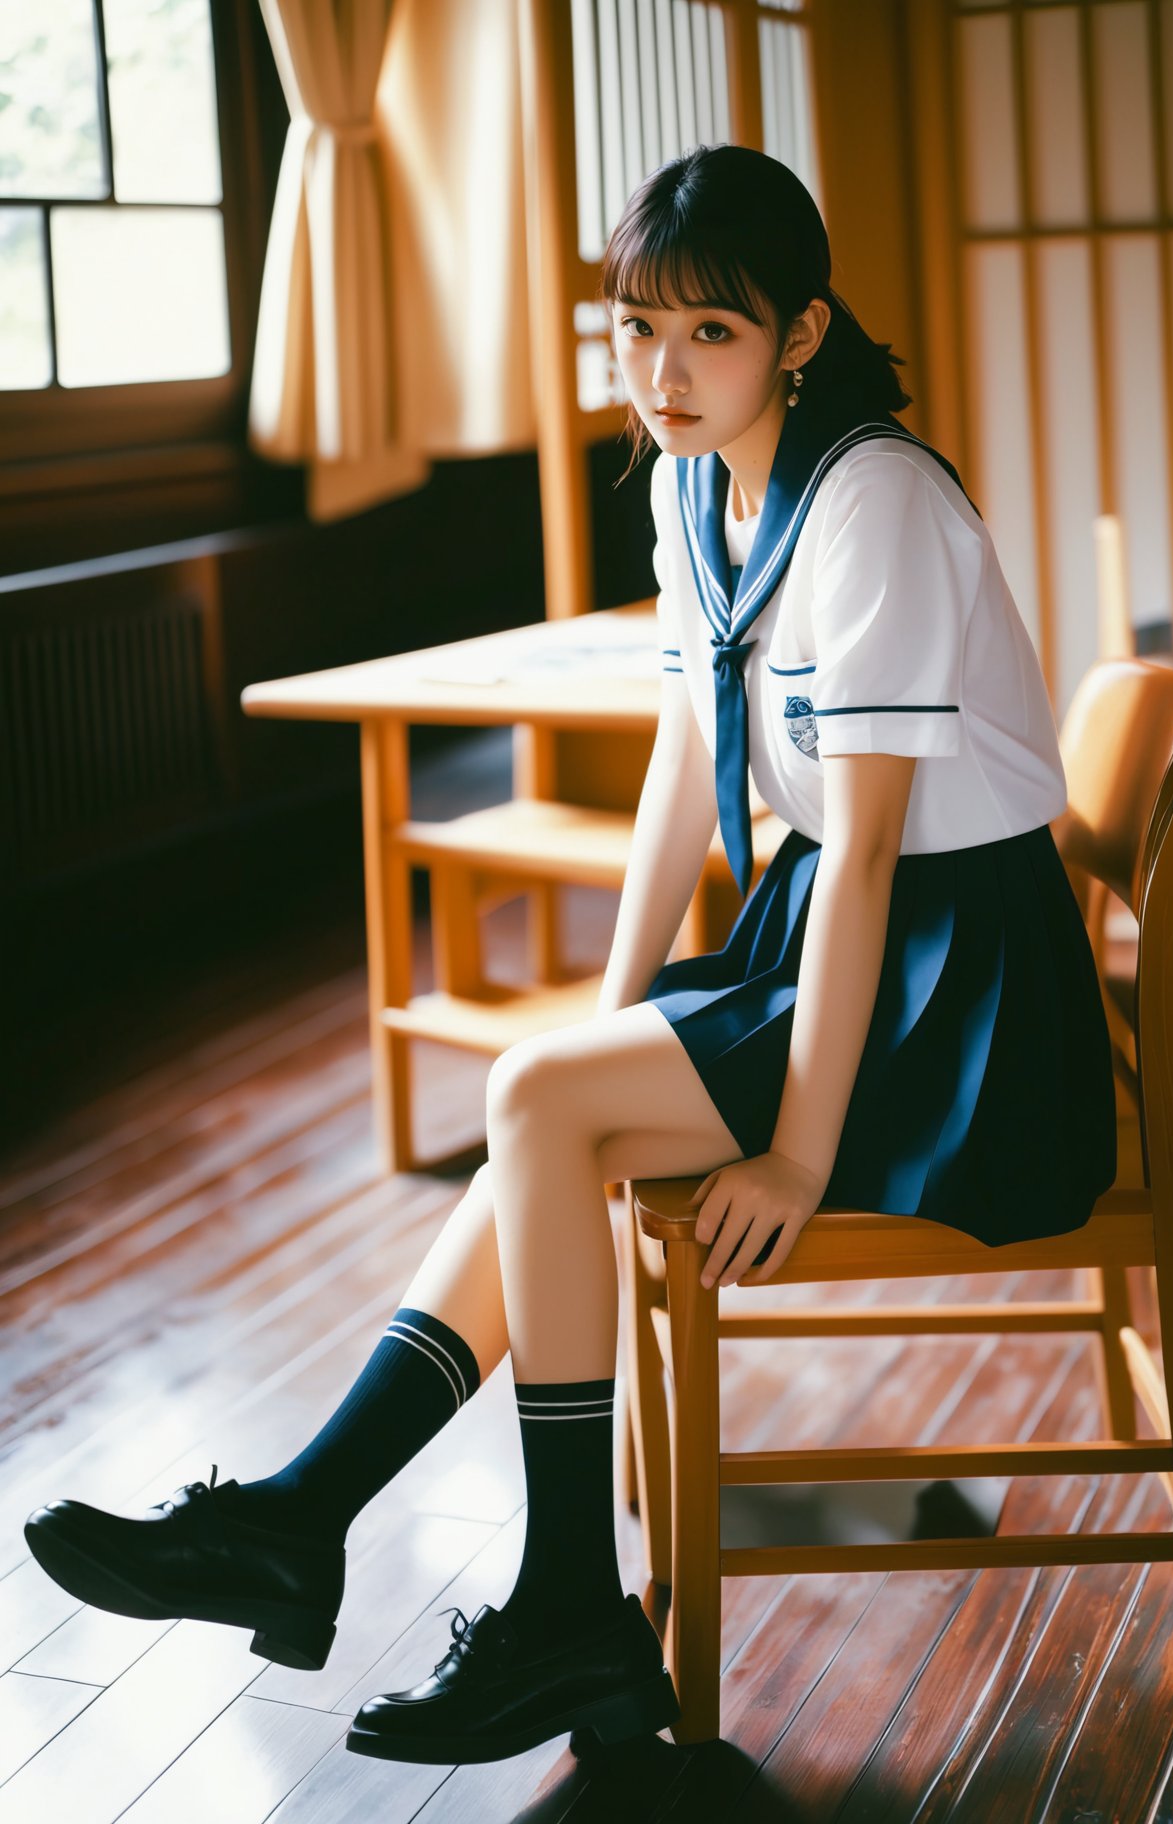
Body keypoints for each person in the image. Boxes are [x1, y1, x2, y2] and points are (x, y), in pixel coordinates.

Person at [22, 143, 1117, 1767]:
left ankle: (444, 1574)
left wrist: (799, 1149)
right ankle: (356, 1540)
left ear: (800, 334)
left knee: (543, 1106)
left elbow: (877, 841)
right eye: (636, 331)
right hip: (836, 936)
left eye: (712, 336)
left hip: (962, 988)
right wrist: (608, 1037)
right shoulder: (693, 477)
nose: (664, 376)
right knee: (546, 1107)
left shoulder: (876, 494)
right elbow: (691, 755)